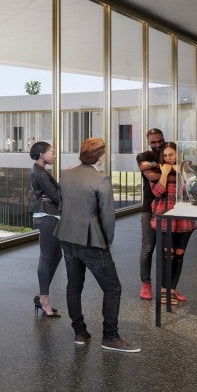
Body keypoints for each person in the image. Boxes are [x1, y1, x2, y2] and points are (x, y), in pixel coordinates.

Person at [56, 138, 139, 353]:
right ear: (100, 156)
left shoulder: (66, 175)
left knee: (74, 286)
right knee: (112, 288)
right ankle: (110, 337)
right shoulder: (101, 180)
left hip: (66, 237)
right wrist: (107, 242)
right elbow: (108, 218)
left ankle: (80, 333)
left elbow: (63, 205)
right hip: (91, 241)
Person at [150, 143, 195, 304]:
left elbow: (192, 192)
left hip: (184, 219)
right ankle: (163, 291)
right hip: (164, 218)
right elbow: (157, 192)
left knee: (179, 255)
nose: (169, 158)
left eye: (172, 155)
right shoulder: (157, 171)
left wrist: (182, 173)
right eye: (166, 155)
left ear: (178, 155)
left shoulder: (186, 171)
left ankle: (172, 289)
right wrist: (165, 173)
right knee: (166, 255)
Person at [29, 141, 62, 317]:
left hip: (50, 216)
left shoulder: (41, 170)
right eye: (52, 152)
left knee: (56, 255)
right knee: (48, 256)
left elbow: (54, 195)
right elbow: (56, 196)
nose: (55, 155)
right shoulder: (39, 172)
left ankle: (40, 295)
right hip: (47, 216)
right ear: (42, 154)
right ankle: (44, 300)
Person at [136, 128, 166, 300]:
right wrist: (169, 172)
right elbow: (153, 178)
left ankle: (166, 288)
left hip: (169, 207)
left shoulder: (169, 151)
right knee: (148, 248)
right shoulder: (142, 156)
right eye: (153, 142)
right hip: (150, 208)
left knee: (167, 250)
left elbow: (180, 170)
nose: (157, 145)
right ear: (148, 142)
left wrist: (157, 167)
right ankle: (145, 284)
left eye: (159, 141)